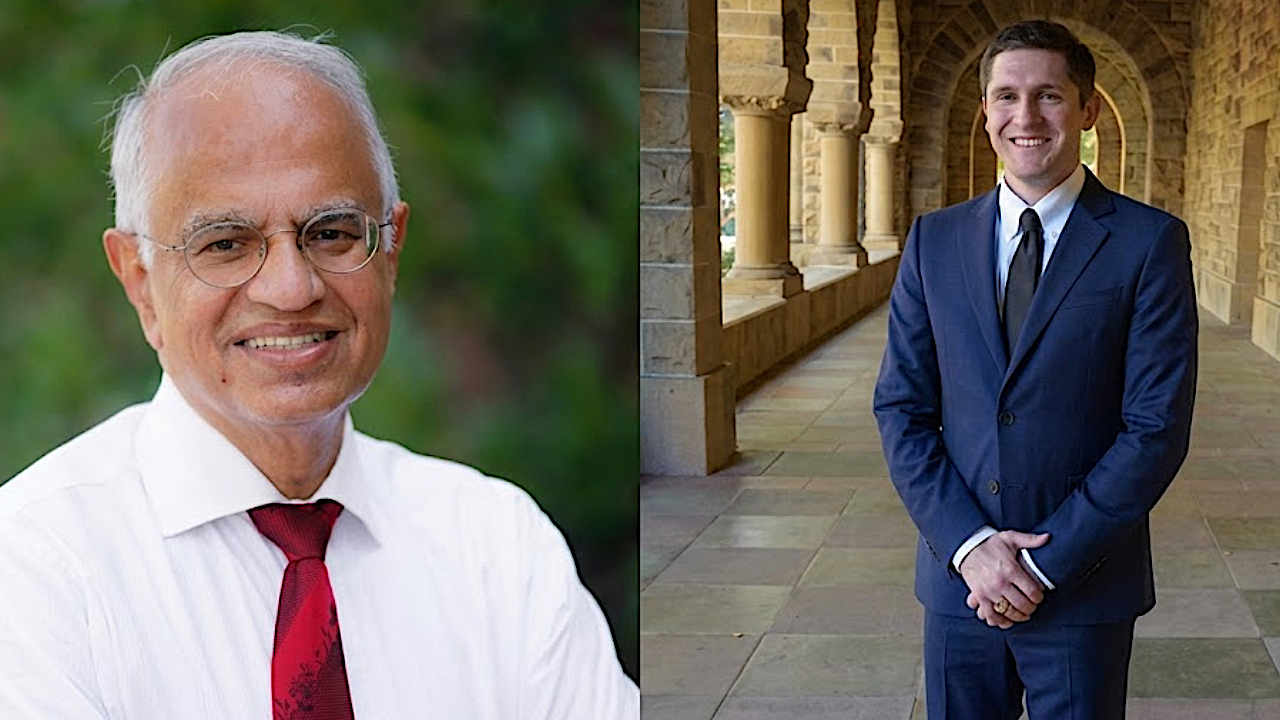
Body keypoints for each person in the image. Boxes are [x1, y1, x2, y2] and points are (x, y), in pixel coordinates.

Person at [0, 30, 638, 719]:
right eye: (225, 244)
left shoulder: (497, 547)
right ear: (139, 281)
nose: (290, 286)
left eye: (331, 232)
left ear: (390, 253)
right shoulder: (38, 568)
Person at [873, 19, 1197, 720]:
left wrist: (1041, 565)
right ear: (986, 110)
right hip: (960, 583)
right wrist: (970, 547)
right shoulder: (935, 241)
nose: (1025, 117)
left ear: (1086, 110)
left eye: (1048, 96)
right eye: (1006, 96)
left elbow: (1155, 428)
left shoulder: (1148, 244)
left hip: (1084, 582)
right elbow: (902, 408)